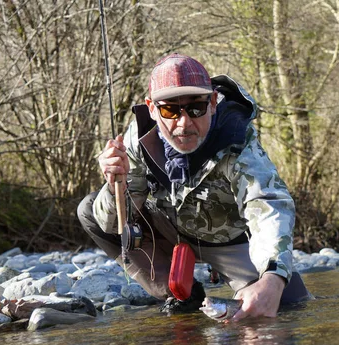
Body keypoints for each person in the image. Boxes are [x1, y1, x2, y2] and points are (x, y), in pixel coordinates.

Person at [78, 53, 311, 321]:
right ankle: (179, 294)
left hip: (230, 240)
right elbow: (112, 225)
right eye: (170, 110)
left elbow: (268, 203)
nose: (184, 123)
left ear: (212, 102)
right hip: (169, 226)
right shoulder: (137, 140)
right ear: (152, 108)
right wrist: (113, 186)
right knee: (90, 210)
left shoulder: (237, 140)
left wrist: (272, 277)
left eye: (196, 108)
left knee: (289, 306)